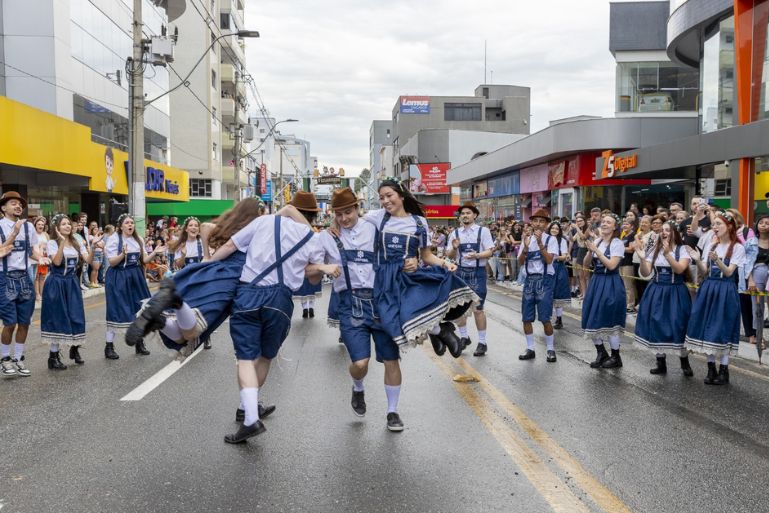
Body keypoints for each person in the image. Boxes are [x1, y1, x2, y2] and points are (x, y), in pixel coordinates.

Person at [206, 192, 335, 444]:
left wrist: (207, 264)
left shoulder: (263, 222)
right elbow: (313, 278)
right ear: (312, 214)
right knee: (265, 356)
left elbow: (231, 246)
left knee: (245, 357)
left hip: (248, 293)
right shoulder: (314, 238)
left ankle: (250, 416)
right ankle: (248, 409)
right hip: (281, 301)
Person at [126, 198, 264, 358]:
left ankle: (160, 320)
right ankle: (175, 300)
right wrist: (209, 258)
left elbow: (205, 227)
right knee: (195, 329)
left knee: (184, 337)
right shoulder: (252, 229)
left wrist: (206, 257)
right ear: (256, 213)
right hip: (229, 280)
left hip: (210, 273)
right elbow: (229, 246)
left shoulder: (233, 227)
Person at [317, 188, 406, 429]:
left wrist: (413, 258)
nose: (344, 218)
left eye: (348, 211)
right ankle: (358, 387)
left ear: (357, 208)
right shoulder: (326, 236)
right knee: (360, 364)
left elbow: (399, 216)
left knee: (391, 359)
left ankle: (392, 411)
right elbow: (310, 270)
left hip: (381, 301)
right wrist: (322, 268)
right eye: (339, 213)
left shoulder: (375, 224)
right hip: (350, 304)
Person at [361, 180, 475, 358]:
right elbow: (350, 219)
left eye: (389, 196)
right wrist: (334, 228)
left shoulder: (419, 222)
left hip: (409, 278)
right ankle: (439, 331)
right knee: (392, 320)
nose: (385, 201)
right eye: (381, 197)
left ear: (401, 195)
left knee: (410, 313)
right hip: (385, 280)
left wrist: (446, 263)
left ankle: (440, 331)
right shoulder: (377, 216)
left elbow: (426, 256)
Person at [685, 212, 744, 385]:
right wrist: (697, 260)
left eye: (719, 224)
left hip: (725, 290)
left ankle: (724, 371)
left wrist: (718, 260)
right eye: (714, 224)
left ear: (730, 227)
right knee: (706, 326)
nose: (715, 227)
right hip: (709, 288)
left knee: (722, 327)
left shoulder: (738, 247)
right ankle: (711, 368)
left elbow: (729, 272)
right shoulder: (712, 245)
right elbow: (705, 272)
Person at [633, 220, 693, 376]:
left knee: (679, 324)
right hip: (656, 290)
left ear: (675, 233)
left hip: (676, 292)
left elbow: (679, 270)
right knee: (657, 323)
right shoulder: (655, 249)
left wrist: (668, 255)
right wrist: (641, 258)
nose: (664, 232)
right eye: (663, 230)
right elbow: (646, 274)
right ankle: (661, 362)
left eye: (668, 230)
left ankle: (684, 361)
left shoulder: (682, 250)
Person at [104, 213, 166, 359]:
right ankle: (109, 346)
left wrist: (155, 253)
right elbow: (112, 262)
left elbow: (144, 260)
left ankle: (139, 342)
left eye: (131, 223)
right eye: (127, 223)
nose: (130, 225)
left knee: (139, 309)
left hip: (135, 276)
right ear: (120, 226)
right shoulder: (114, 239)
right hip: (118, 276)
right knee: (116, 310)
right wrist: (122, 254)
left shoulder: (138, 240)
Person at [41, 214, 99, 369]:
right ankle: (53, 357)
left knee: (76, 316)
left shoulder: (76, 241)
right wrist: (61, 242)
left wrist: (93, 247)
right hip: (57, 283)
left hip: (72, 283)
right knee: (58, 318)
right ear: (57, 228)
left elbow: (88, 260)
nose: (67, 226)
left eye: (68, 224)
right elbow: (57, 262)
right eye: (64, 224)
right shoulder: (52, 242)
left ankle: (75, 349)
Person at [445, 202, 495, 356]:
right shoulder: (455, 233)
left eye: (468, 213)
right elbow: (449, 255)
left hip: (478, 272)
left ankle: (482, 342)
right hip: (460, 273)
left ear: (475, 215)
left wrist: (477, 255)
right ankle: (464, 337)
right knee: (459, 308)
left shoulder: (483, 231)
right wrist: (454, 247)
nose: (465, 215)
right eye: (463, 213)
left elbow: (490, 251)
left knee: (478, 310)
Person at [0, 192, 41, 377]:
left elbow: (32, 252)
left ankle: (18, 358)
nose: (18, 206)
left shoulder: (29, 227)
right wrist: (13, 233)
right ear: (3, 208)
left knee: (24, 322)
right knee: (10, 322)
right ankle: (4, 359)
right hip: (5, 277)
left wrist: (42, 258)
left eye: (20, 204)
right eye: (13, 203)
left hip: (25, 277)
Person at [582, 213, 626, 369]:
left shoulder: (617, 243)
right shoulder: (598, 240)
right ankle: (601, 353)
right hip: (596, 281)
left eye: (609, 222)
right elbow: (586, 264)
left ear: (614, 227)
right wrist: (589, 251)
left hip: (610, 283)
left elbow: (612, 265)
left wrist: (597, 251)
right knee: (591, 317)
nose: (605, 224)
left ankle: (616, 356)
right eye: (604, 222)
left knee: (609, 319)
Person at [517, 209, 559, 363]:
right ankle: (530, 348)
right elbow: (520, 262)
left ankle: (550, 349)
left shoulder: (551, 240)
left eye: (542, 221)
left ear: (547, 224)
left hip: (545, 281)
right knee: (526, 318)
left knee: (545, 318)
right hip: (529, 282)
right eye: (535, 221)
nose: (538, 224)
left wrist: (540, 243)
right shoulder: (526, 239)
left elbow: (549, 260)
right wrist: (526, 247)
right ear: (532, 223)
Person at [547, 220, 570, 330]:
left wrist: (553, 256)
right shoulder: (545, 239)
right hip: (547, 268)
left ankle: (559, 319)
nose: (554, 230)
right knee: (547, 293)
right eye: (553, 228)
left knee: (558, 294)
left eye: (556, 229)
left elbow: (564, 256)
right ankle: (547, 317)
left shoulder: (563, 241)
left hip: (559, 268)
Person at [620, 217, 639, 313]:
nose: (624, 226)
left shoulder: (633, 235)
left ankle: (630, 305)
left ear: (632, 226)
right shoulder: (624, 237)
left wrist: (620, 248)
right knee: (624, 285)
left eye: (627, 224)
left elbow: (631, 249)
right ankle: (626, 303)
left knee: (629, 285)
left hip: (629, 263)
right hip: (622, 263)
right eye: (623, 224)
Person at [32, 216, 49, 300]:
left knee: (43, 276)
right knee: (36, 277)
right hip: (36, 258)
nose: (41, 226)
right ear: (35, 225)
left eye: (42, 224)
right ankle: (37, 294)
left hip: (45, 257)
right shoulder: (33, 234)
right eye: (39, 224)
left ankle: (42, 293)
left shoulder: (45, 234)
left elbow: (49, 245)